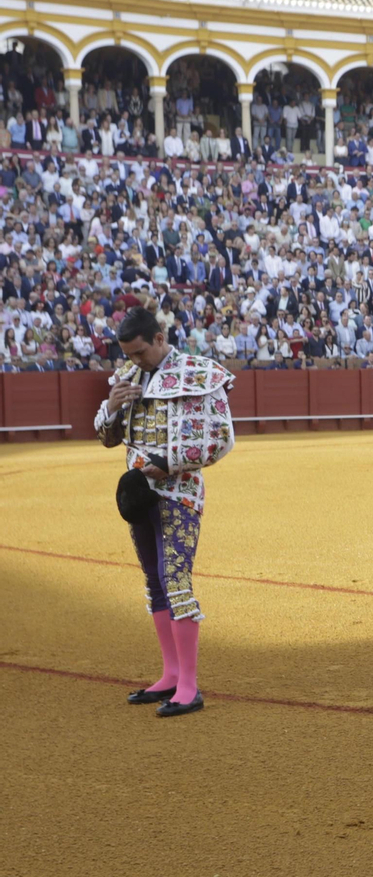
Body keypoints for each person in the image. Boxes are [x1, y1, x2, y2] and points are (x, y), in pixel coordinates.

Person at [92, 307, 236, 718]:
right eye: (128, 355)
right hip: (139, 494)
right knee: (155, 582)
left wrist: (169, 462)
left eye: (139, 352)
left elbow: (221, 438)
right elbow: (108, 438)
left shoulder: (199, 373)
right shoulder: (128, 377)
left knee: (176, 582)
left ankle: (189, 686)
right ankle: (171, 674)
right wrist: (111, 408)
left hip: (179, 493)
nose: (134, 361)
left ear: (159, 338)